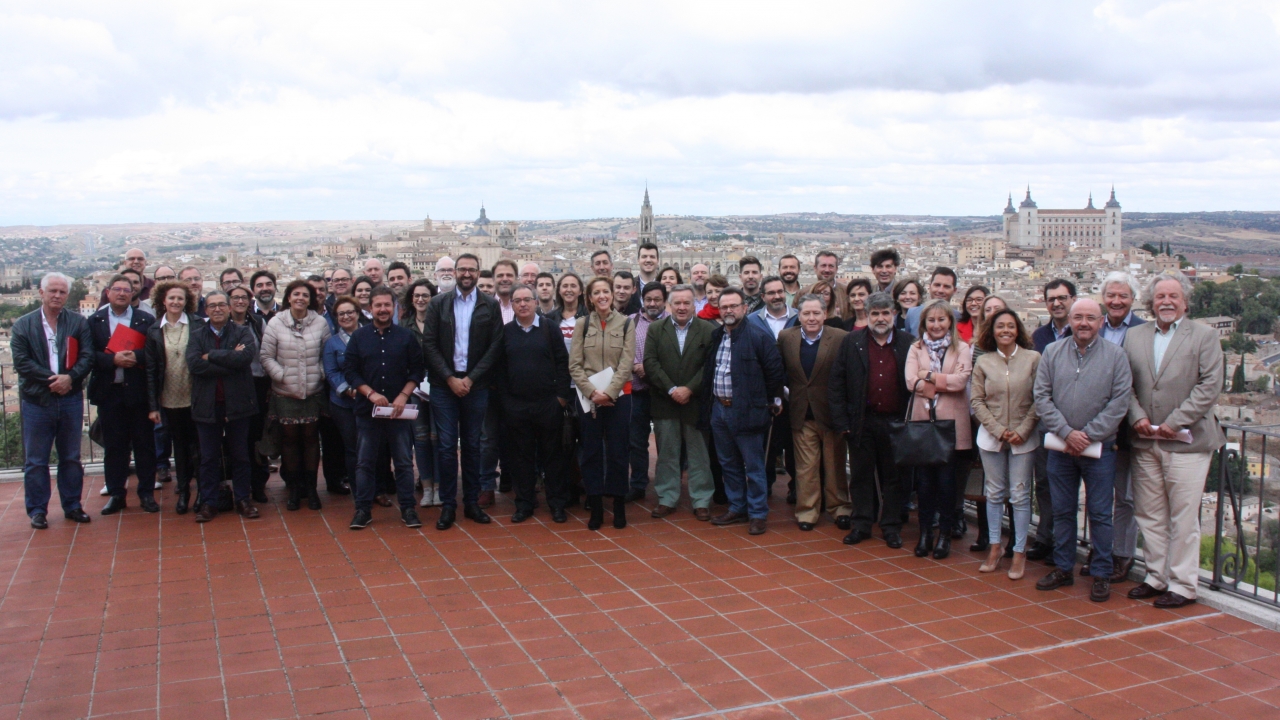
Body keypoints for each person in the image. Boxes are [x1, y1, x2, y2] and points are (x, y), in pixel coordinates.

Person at [1125, 273, 1224, 609]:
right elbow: (1125, 383)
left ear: (1185, 301)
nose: (1166, 302)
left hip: (1186, 441)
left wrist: (1174, 422)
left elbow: (1209, 386)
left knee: (1183, 516)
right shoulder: (1134, 335)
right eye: (1160, 296)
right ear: (1151, 302)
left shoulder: (1205, 335)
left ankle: (1183, 584)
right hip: (1144, 440)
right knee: (1149, 513)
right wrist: (1137, 417)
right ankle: (1156, 576)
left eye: (1173, 296)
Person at [1033, 298, 1132, 602]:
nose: (1084, 323)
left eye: (1091, 317)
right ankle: (1064, 568)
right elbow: (1041, 397)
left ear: (1101, 322)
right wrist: (1066, 432)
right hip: (1060, 448)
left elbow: (1119, 403)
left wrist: (1087, 436)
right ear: (1070, 321)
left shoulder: (1116, 356)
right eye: (1078, 318)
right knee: (1063, 511)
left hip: (1100, 449)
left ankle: (1101, 573)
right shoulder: (1052, 352)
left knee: (1100, 514)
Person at [421, 254, 504, 530]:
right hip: (444, 386)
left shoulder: (489, 306)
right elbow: (429, 344)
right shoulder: (438, 304)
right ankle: (448, 506)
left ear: (478, 273)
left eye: (472, 270)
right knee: (445, 447)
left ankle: (470, 503)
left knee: (472, 446)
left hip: (475, 385)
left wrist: (470, 378)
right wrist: (449, 378)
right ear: (455, 272)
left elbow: (495, 347)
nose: (467, 274)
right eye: (462, 269)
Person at [829, 291, 913, 548]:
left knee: (893, 478)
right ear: (867, 314)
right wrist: (842, 422)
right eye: (875, 313)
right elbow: (837, 383)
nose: (880, 318)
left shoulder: (908, 343)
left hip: (896, 422)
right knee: (861, 476)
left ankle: (890, 526)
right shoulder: (852, 341)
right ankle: (862, 524)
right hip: (862, 421)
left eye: (885, 312)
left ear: (894, 315)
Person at [13, 273, 95, 528]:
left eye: (62, 292)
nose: (57, 296)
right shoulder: (23, 325)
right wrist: (55, 380)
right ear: (41, 293)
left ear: (67, 295)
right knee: (36, 460)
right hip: (37, 401)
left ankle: (72, 505)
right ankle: (38, 511)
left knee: (71, 457)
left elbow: (87, 356)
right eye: (53, 291)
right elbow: (21, 362)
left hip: (70, 400)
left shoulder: (78, 322)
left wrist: (70, 378)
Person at [704, 288, 785, 536]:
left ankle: (758, 512)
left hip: (748, 410)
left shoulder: (759, 337)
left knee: (754, 465)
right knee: (728, 463)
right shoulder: (717, 335)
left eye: (733, 306)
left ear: (744, 308)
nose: (728, 310)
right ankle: (737, 506)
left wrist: (771, 402)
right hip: (719, 409)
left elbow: (774, 374)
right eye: (724, 306)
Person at [344, 287, 426, 530]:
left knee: (402, 461)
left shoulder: (406, 337)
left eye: (387, 305)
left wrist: (403, 395)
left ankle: (409, 508)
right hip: (368, 411)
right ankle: (362, 510)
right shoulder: (359, 338)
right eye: (377, 305)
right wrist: (370, 393)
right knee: (365, 462)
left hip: (399, 412)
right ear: (370, 308)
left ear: (395, 307)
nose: (382, 309)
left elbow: (417, 371)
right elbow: (350, 371)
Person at [971, 308, 1040, 580]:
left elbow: (1040, 397)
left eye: (1011, 326)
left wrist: (1023, 429)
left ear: (1018, 330)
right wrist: (998, 430)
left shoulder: (1033, 359)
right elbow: (977, 401)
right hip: (992, 437)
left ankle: (1020, 550)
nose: (1006, 331)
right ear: (992, 331)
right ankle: (995, 546)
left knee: (1021, 495)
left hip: (1025, 437)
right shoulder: (984, 362)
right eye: (1000, 326)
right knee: (995, 493)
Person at [499, 285, 574, 523]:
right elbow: (499, 370)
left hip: (548, 403)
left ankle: (557, 504)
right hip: (517, 406)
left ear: (535, 302)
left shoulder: (550, 329)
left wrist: (561, 398)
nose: (522, 304)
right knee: (521, 458)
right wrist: (506, 402)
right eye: (517, 301)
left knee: (553, 456)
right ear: (512, 304)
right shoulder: (506, 332)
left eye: (527, 300)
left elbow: (563, 363)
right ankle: (524, 504)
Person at [905, 299, 972, 559]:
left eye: (941, 320)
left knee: (947, 484)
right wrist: (938, 381)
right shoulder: (915, 348)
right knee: (924, 484)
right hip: (923, 424)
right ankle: (924, 535)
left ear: (950, 323)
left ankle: (944, 535)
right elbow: (911, 381)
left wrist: (929, 376)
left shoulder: (962, 348)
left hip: (951, 427)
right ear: (924, 323)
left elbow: (960, 382)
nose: (936, 325)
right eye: (931, 320)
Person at [644, 285, 716, 520]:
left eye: (687, 303)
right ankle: (666, 497)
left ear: (694, 305)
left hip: (695, 403)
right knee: (667, 452)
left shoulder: (708, 330)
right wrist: (672, 389)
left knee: (699, 454)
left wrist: (689, 389)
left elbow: (710, 366)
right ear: (669, 305)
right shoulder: (656, 329)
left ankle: (702, 499)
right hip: (665, 402)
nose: (682, 307)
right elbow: (650, 363)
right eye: (677, 303)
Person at [570, 276, 637, 530]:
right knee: (591, 452)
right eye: (596, 292)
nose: (602, 296)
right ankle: (596, 506)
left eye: (605, 291)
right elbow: (574, 365)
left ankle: (619, 506)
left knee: (619, 452)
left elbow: (626, 363)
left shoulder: (626, 323)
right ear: (589, 297)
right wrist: (591, 392)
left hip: (619, 397)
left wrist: (609, 393)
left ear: (612, 295)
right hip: (588, 399)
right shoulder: (582, 325)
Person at [187, 291, 259, 522]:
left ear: (229, 308)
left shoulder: (243, 331)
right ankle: (209, 502)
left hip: (238, 404)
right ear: (205, 310)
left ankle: (243, 499)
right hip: (208, 405)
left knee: (241, 455)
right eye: (212, 306)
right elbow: (195, 365)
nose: (217, 309)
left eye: (221, 305)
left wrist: (212, 356)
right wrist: (229, 358)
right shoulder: (197, 335)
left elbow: (245, 359)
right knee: (208, 457)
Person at [90, 275, 159, 515]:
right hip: (110, 393)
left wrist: (135, 357)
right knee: (114, 447)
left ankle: (147, 494)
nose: (121, 293)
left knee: (145, 446)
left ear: (133, 294)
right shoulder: (95, 320)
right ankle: (117, 494)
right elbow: (88, 355)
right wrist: (113, 360)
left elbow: (154, 354)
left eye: (126, 290)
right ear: (108, 292)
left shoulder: (145, 319)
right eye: (117, 289)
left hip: (138, 394)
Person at [260, 280, 331, 511]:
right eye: (296, 294)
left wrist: (319, 374)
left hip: (312, 392)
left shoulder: (320, 322)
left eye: (305, 294)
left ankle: (311, 488)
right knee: (289, 441)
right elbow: (266, 356)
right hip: (285, 393)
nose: (300, 298)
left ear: (310, 299)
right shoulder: (275, 323)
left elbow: (327, 354)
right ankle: (294, 488)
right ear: (288, 297)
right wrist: (282, 375)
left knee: (311, 441)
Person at [780, 294, 848, 531]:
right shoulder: (786, 337)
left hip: (831, 413)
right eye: (806, 313)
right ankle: (807, 511)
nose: (811, 318)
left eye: (816, 313)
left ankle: (840, 508)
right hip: (801, 412)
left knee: (835, 465)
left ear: (825, 314)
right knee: (805, 468)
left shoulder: (840, 338)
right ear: (798, 316)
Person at [1097, 271, 1146, 583]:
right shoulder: (1093, 326)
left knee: (1125, 496)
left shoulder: (1144, 332)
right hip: (1094, 426)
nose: (1116, 301)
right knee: (1099, 494)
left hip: (1128, 428)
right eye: (1111, 296)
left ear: (1132, 300)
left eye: (1123, 296)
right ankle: (1101, 550)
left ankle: (1123, 554)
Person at [1026, 278, 1078, 562]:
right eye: (1051, 299)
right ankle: (1047, 537)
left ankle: (1066, 544)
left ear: (1072, 299)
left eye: (1062, 297)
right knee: (1045, 483)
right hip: (1047, 423)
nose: (1057, 303)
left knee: (1077, 488)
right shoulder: (1039, 337)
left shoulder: (1085, 331)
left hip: (1080, 425)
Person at [145, 280, 204, 514]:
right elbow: (151, 371)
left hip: (196, 394)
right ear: (163, 301)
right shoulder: (154, 330)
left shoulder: (198, 324)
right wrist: (153, 405)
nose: (176, 302)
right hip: (170, 397)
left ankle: (202, 492)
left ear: (186, 301)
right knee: (179, 446)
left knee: (198, 446)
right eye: (172, 298)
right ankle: (184, 492)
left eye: (180, 298)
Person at [748, 276, 799, 499]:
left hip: (796, 392)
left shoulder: (800, 317)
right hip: (765, 393)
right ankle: (765, 486)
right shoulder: (751, 320)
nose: (777, 296)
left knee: (795, 444)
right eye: (771, 293)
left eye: (780, 291)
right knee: (765, 444)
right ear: (763, 297)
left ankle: (797, 488)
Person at [226, 285, 272, 502]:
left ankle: (258, 483)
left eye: (243, 297)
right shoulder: (220, 325)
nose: (240, 301)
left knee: (256, 437)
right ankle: (239, 485)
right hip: (231, 387)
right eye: (235, 298)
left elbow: (264, 353)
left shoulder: (257, 322)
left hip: (257, 385)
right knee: (237, 439)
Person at [626, 282, 668, 502]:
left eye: (657, 299)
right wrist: (636, 365)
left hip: (662, 392)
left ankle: (667, 485)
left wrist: (650, 369)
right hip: (637, 391)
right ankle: (639, 483)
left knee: (666, 441)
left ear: (664, 301)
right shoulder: (630, 321)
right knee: (636, 441)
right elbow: (623, 350)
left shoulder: (671, 322)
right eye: (649, 299)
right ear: (642, 299)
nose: (653, 303)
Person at [401, 279, 439, 507]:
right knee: (421, 439)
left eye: (425, 295)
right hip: (414, 388)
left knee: (440, 439)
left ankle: (439, 487)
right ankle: (426, 487)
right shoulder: (405, 326)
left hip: (440, 386)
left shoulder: (442, 323)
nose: (421, 299)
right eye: (417, 295)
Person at [323, 296, 362, 516]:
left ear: (358, 313)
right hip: (343, 403)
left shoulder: (369, 336)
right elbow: (331, 372)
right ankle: (359, 493)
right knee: (352, 448)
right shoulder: (332, 343)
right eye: (341, 314)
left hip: (369, 400)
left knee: (372, 446)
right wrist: (348, 389)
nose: (346, 317)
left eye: (350, 312)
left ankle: (376, 489)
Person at [904, 267, 958, 333]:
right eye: (937, 285)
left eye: (946, 286)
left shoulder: (960, 317)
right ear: (930, 287)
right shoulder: (912, 314)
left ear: (954, 291)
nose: (940, 290)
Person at [492, 259, 518, 324]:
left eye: (509, 275)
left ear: (516, 278)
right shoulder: (485, 306)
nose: (505, 279)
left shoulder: (525, 305)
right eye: (500, 275)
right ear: (493, 279)